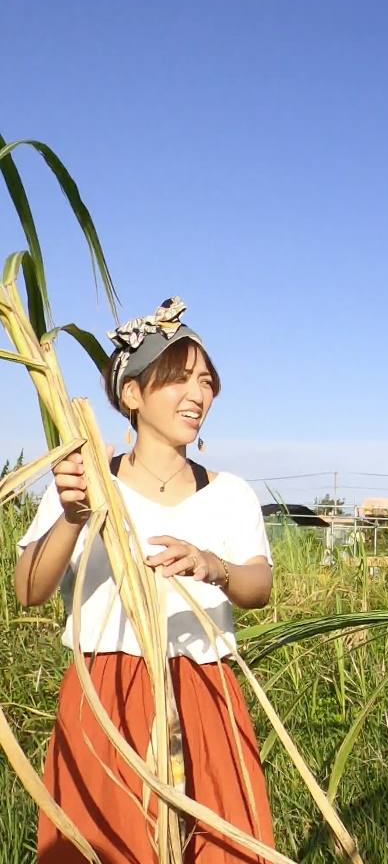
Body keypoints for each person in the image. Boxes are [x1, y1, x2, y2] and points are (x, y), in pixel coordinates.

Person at [14, 297, 276, 864]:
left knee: (220, 847)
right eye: (178, 379)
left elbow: (259, 586)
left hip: (205, 693)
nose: (198, 395)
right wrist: (74, 516)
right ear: (132, 394)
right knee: (106, 847)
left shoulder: (229, 493)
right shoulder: (83, 483)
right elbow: (27, 588)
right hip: (108, 697)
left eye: (207, 381)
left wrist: (216, 566)